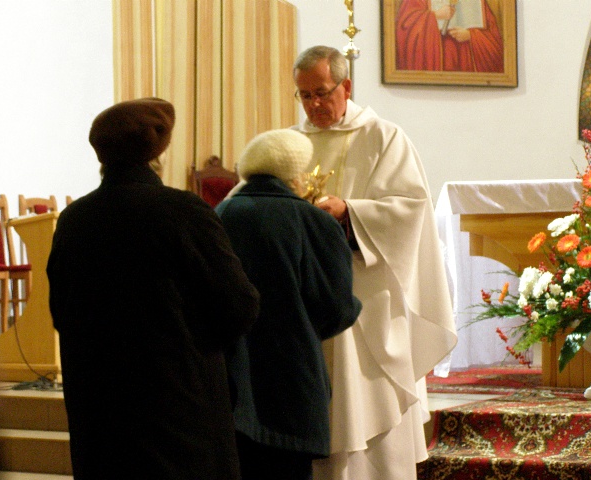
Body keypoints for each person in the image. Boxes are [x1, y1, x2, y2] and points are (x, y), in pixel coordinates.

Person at [47, 97, 260, 480]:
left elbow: (61, 311)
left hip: (100, 410)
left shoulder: (74, 219)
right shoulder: (183, 210)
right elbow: (238, 305)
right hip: (178, 406)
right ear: (157, 152)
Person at [291, 46, 457, 480]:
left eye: (322, 93)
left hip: (365, 289)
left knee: (367, 397)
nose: (314, 105)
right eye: (305, 95)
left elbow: (411, 209)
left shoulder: (384, 137)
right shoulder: (290, 143)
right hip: (307, 293)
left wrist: (349, 212)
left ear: (346, 87)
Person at [215, 128, 362, 480]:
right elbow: (337, 307)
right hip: (293, 377)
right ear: (295, 174)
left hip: (231, 377)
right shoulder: (313, 221)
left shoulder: (221, 213)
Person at [395, 0, 504, 73]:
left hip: (467, 60)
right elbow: (405, 27)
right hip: (438, 57)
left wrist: (471, 35)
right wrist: (436, 15)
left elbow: (494, 41)